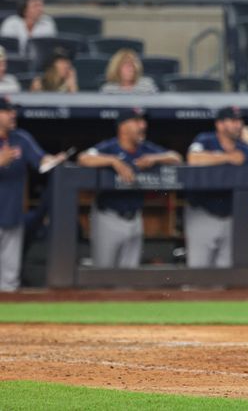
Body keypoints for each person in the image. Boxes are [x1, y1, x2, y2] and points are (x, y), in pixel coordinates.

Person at [77, 108, 182, 268]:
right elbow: (83, 158)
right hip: (108, 216)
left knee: (129, 277)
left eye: (143, 121)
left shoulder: (146, 148)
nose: (143, 126)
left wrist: (155, 158)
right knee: (103, 273)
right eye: (137, 121)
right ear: (122, 126)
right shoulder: (110, 147)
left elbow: (176, 157)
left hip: (135, 218)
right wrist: (113, 161)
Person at [0, 96, 67, 291]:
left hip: (12, 216)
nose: (13, 114)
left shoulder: (20, 138)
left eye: (13, 110)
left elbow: (41, 163)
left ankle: (9, 322)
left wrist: (54, 160)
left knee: (10, 279)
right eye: (7, 111)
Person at [185, 106, 248, 268]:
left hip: (233, 216)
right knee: (198, 270)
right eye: (233, 121)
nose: (238, 125)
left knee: (225, 274)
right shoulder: (205, 140)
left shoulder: (245, 147)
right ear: (220, 124)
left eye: (240, 121)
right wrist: (228, 157)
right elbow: (193, 158)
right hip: (203, 213)